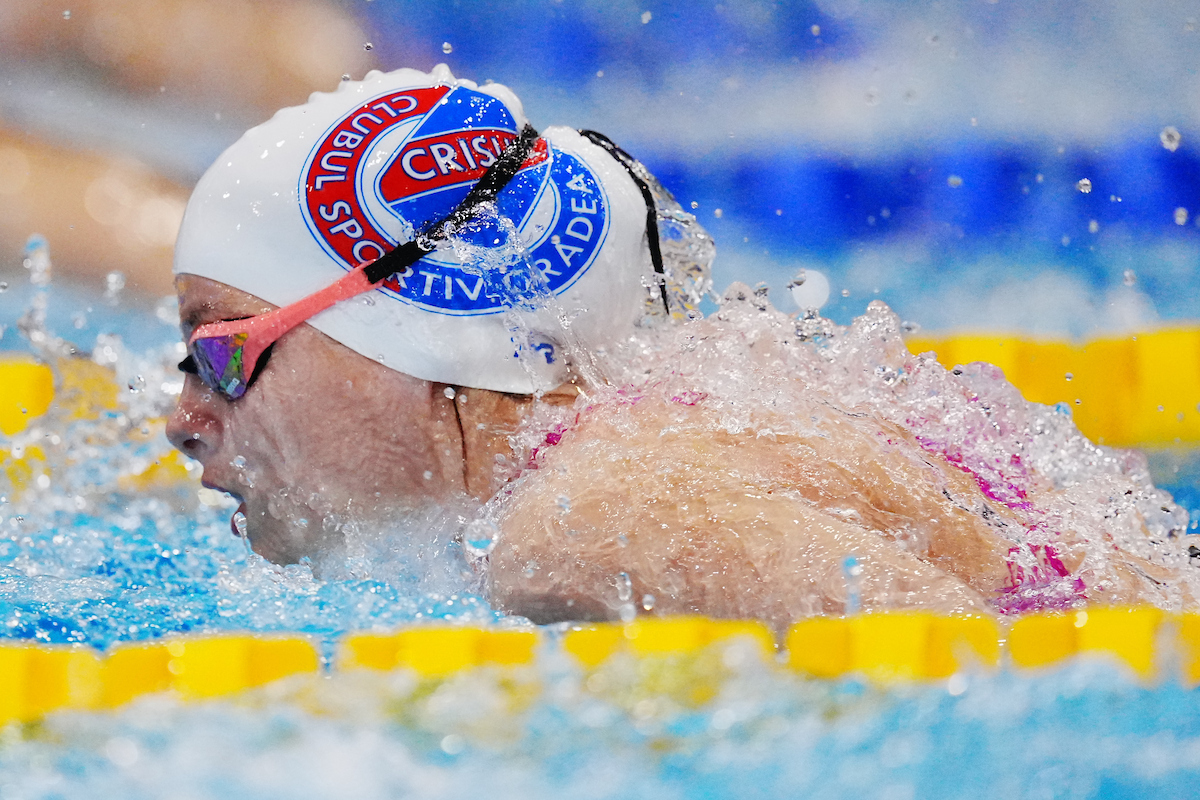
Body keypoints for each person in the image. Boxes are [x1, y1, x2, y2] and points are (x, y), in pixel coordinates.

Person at [167, 66, 1198, 630]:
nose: (184, 416)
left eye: (219, 350)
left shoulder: (592, 522)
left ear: (412, 325)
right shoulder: (652, 447)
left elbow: (975, 684)